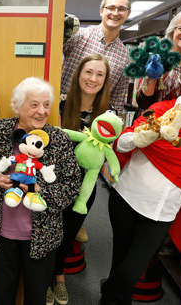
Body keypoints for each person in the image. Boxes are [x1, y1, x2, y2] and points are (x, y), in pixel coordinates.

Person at [100, 57, 181, 305]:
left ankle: (108, 293)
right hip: (127, 197)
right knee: (120, 262)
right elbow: (121, 142)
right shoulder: (162, 110)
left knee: (130, 272)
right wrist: (142, 137)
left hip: (163, 210)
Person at [0, 77, 81, 305]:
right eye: (34, 104)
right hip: (1, 234)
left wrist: (39, 190)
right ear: (17, 106)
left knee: (36, 298)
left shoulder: (59, 139)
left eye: (46, 105)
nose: (42, 111)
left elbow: (72, 185)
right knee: (2, 297)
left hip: (43, 236)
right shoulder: (0, 131)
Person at [51, 54, 112, 305]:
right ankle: (45, 278)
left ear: (105, 80)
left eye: (100, 74)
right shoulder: (60, 103)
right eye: (88, 72)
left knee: (68, 234)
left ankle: (58, 277)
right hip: (53, 181)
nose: (93, 79)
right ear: (78, 74)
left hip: (85, 188)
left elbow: (108, 153)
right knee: (49, 232)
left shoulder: (108, 114)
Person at [61, 0, 132, 114]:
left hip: (93, 122)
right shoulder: (79, 36)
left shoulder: (125, 57)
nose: (115, 13)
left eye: (121, 9)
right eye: (110, 8)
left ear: (128, 14)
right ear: (101, 11)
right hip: (61, 111)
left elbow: (117, 100)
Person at [136, 6, 181, 113]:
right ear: (173, 31)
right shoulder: (156, 60)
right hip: (154, 123)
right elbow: (143, 103)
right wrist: (151, 79)